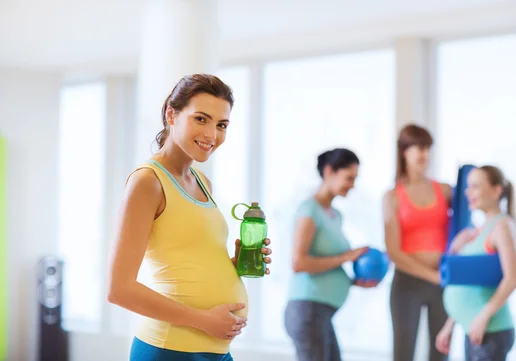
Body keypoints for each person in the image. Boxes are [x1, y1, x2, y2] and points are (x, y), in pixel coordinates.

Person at [106, 74, 272, 361]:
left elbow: (187, 258)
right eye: (201, 119)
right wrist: (203, 320)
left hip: (216, 351)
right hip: (170, 349)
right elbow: (119, 290)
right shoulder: (148, 181)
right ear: (172, 114)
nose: (212, 134)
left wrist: (232, 264)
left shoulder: (202, 181)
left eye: (221, 125)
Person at [284, 148, 378, 361]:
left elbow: (328, 265)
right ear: (329, 172)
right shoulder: (309, 209)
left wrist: (353, 282)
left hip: (321, 314)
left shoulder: (335, 215)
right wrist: (346, 257)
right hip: (307, 310)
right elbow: (299, 263)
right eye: (349, 178)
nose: (352, 185)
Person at [382, 124, 453, 361]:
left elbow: (465, 227)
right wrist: (432, 276)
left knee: (440, 354)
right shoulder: (392, 196)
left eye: (427, 148)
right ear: (404, 151)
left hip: (442, 283)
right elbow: (394, 251)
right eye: (417, 147)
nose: (424, 154)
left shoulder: (444, 191)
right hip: (407, 285)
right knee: (403, 355)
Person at [436, 165, 516, 361]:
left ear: (496, 190)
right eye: (467, 186)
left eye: (475, 186)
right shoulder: (477, 232)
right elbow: (468, 289)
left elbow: (513, 278)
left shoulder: (502, 226)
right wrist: (449, 326)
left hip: (491, 329)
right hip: (473, 328)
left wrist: (483, 318)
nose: (467, 192)